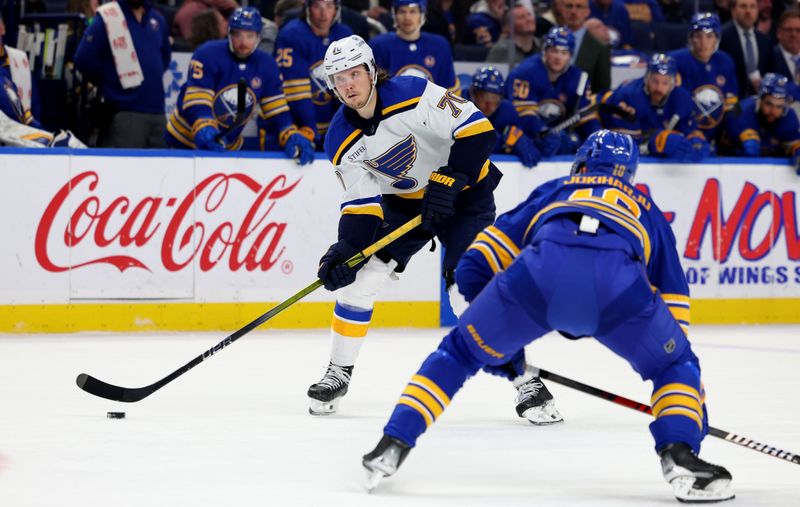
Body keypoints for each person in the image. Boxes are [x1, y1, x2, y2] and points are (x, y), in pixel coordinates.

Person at [361, 130, 735, 504]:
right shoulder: (646, 208)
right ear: (629, 174)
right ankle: (680, 452)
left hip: (538, 281)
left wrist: (495, 341)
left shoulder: (557, 189)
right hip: (618, 290)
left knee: (457, 354)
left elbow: (475, 263)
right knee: (675, 366)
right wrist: (685, 401)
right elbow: (675, 307)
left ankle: (393, 442)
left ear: (582, 164)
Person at [307, 34, 507, 417]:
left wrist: (452, 178)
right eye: (338, 78)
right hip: (405, 206)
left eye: (353, 73)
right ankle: (338, 370)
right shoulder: (339, 138)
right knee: (360, 277)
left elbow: (479, 131)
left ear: (370, 71)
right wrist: (345, 250)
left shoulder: (413, 92)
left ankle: (524, 380)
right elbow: (362, 204)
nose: (348, 84)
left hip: (466, 195)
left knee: (465, 292)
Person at [164, 7, 314, 162]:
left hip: (226, 147)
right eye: (238, 35)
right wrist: (204, 125)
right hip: (183, 140)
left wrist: (289, 133)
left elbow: (276, 110)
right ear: (229, 34)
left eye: (249, 36)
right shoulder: (207, 53)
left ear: (258, 37)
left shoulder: (266, 64)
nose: (243, 42)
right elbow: (197, 97)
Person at [74, 0, 171, 148]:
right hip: (125, 111)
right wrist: (108, 82)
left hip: (158, 111)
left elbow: (164, 58)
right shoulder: (109, 16)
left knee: (163, 170)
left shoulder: (158, 20)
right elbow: (83, 58)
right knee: (124, 169)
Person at [507, 26, 601, 154]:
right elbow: (524, 115)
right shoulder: (525, 73)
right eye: (554, 51)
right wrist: (543, 132)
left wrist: (596, 140)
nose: (558, 57)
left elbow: (586, 118)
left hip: (558, 137)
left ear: (570, 56)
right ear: (545, 51)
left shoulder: (579, 79)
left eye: (564, 53)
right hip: (525, 135)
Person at [600, 53, 710, 162]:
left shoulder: (683, 99)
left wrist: (695, 142)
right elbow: (621, 147)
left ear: (673, 83)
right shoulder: (627, 95)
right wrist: (652, 143)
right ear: (646, 78)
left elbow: (690, 132)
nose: (659, 88)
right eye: (654, 81)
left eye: (665, 83)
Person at [274, 0, 353, 150]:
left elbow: (349, 86)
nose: (324, 13)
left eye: (329, 6)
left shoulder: (344, 35)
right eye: (318, 6)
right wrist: (310, 129)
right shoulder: (292, 35)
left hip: (333, 127)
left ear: (336, 9)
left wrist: (343, 128)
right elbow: (296, 91)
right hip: (298, 129)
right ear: (308, 9)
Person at [469, 65, 561, 169]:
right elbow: (467, 144)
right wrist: (502, 141)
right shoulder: (459, 105)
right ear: (473, 93)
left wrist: (540, 133)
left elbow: (522, 133)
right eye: (485, 98)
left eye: (495, 99)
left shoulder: (506, 109)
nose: (490, 107)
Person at [669, 13, 738, 144]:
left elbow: (733, 101)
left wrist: (735, 128)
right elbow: (670, 103)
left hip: (717, 135)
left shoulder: (726, 61)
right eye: (698, 36)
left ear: (717, 39)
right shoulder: (675, 61)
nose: (703, 42)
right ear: (690, 38)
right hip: (682, 131)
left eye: (709, 36)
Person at [369, 0, 459, 95]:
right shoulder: (379, 45)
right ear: (394, 14)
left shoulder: (440, 46)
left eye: (413, 11)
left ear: (422, 14)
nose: (407, 17)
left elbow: (448, 89)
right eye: (402, 12)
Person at [719, 73, 800, 174]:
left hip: (772, 177)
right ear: (760, 99)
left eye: (779, 106)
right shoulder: (739, 110)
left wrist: (797, 152)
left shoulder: (788, 116)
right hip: (730, 169)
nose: (773, 111)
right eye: (768, 104)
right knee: (751, 146)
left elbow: (793, 143)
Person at [719, 0, 775, 99]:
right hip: (732, 101)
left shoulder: (765, 41)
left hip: (760, 103)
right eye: (743, 6)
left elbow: (770, 72)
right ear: (733, 10)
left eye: (752, 6)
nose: (748, 11)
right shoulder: (722, 37)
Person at [555, 0, 611, 94]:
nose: (573, 11)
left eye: (579, 7)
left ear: (587, 12)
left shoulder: (600, 48)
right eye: (569, 6)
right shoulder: (547, 40)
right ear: (562, 10)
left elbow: (602, 90)